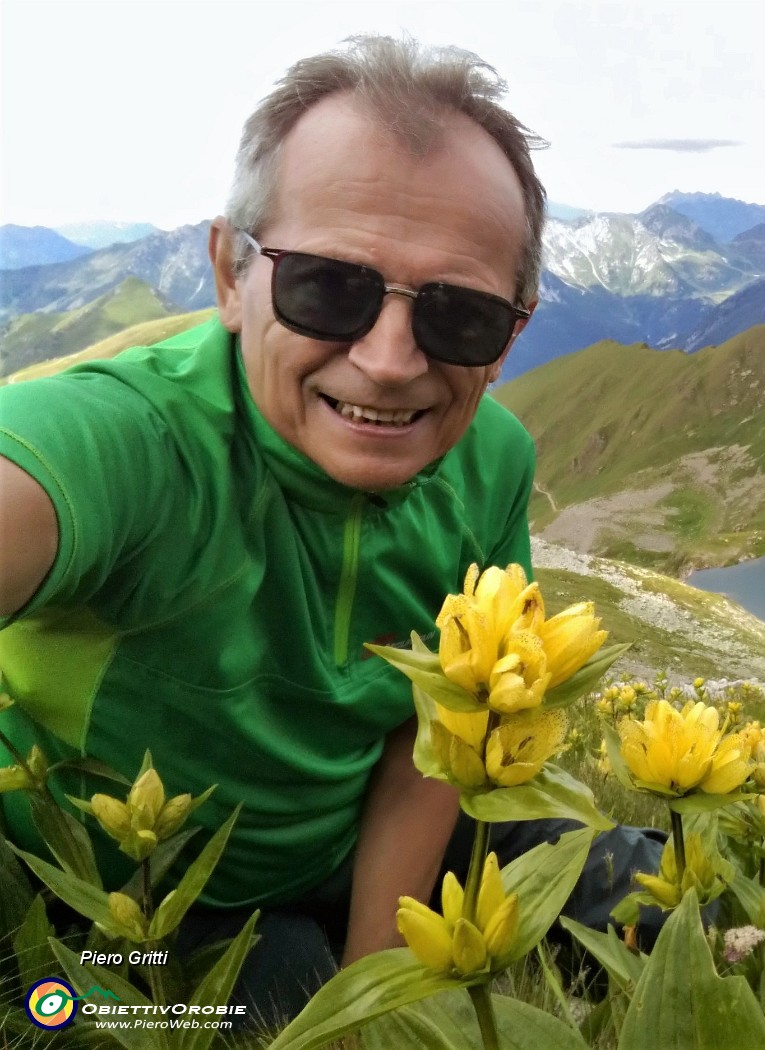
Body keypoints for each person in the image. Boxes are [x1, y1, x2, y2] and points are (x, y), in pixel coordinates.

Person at [0, 35, 660, 1024]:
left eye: (459, 317)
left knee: (660, 892)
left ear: (513, 332)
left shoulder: (492, 458)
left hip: (355, 837)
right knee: (255, 1004)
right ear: (232, 273)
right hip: (130, 894)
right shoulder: (124, 438)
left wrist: (371, 982)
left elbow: (430, 730)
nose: (390, 360)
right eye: (328, 289)